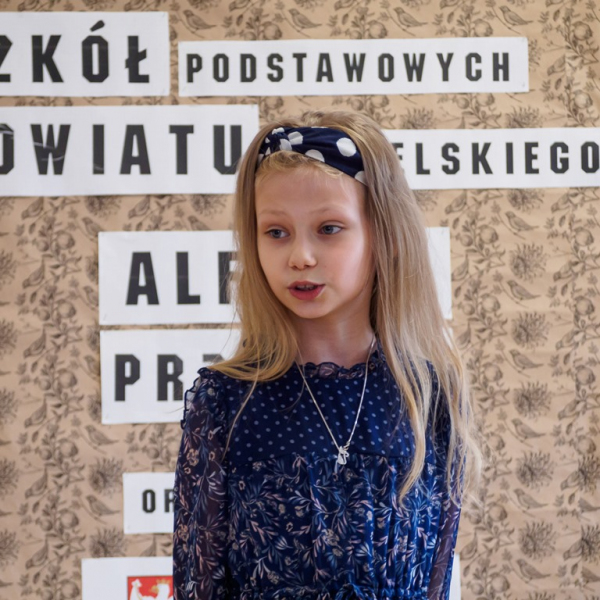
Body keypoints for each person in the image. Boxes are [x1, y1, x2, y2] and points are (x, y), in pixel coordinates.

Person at [172, 110, 482, 600]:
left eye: (329, 228)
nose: (300, 256)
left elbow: (434, 583)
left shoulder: (429, 394)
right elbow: (198, 585)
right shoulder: (226, 402)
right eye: (276, 232)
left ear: (384, 236)